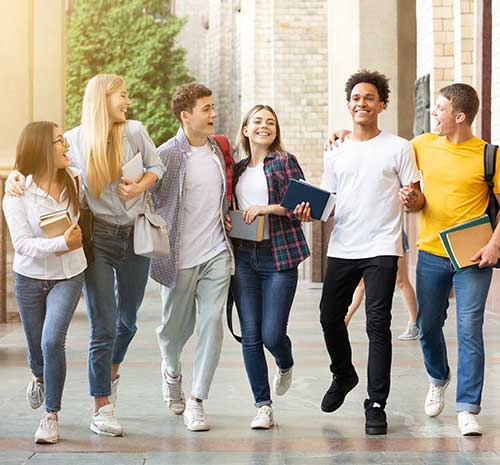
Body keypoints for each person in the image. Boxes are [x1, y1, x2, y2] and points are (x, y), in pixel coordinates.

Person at [7, 74, 166, 437]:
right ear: (103, 99)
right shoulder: (76, 141)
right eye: (122, 95)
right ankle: (101, 405)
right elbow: (45, 165)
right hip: (98, 241)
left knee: (128, 321)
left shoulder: (136, 132)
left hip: (135, 236)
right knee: (103, 325)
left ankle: (111, 371)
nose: (128, 101)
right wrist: (17, 173)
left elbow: (158, 166)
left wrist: (138, 186)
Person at [295, 70, 421, 435]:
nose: (361, 103)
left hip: (382, 245)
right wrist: (309, 209)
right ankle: (343, 373)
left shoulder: (399, 147)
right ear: (348, 105)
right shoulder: (337, 148)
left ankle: (376, 403)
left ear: (382, 104)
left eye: (369, 98)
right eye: (355, 98)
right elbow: (328, 202)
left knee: (377, 323)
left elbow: (415, 197)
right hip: (343, 246)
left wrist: (412, 198)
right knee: (328, 317)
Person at [400, 83, 500, 436]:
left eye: (439, 108)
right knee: (427, 326)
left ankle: (467, 407)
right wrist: (341, 136)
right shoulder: (423, 145)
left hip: (474, 257)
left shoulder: (489, 155)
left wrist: (494, 246)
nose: (434, 114)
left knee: (470, 328)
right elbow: (390, 160)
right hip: (430, 252)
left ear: (459, 116)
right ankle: (438, 376)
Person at [150, 83, 233, 432]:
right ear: (186, 116)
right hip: (179, 255)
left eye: (213, 107)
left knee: (212, 322)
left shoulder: (218, 148)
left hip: (216, 251)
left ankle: (197, 400)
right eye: (206, 108)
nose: (213, 114)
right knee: (174, 330)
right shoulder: (167, 153)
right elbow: (144, 193)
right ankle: (171, 368)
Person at [2, 121, 86, 443]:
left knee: (53, 341)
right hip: (30, 277)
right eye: (59, 141)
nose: (66, 146)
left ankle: (51, 415)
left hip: (69, 273)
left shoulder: (75, 179)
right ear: (41, 149)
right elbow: (22, 245)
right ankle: (39, 375)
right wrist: (62, 243)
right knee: (37, 350)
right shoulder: (18, 192)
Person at [229, 105, 310, 429]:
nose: (265, 126)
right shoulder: (234, 169)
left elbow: (303, 204)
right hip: (244, 256)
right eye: (258, 121)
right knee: (250, 336)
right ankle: (263, 405)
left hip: (279, 256)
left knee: (272, 334)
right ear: (246, 129)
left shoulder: (284, 161)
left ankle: (285, 362)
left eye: (271, 122)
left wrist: (267, 208)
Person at [344, 230, 419, 341]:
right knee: (361, 283)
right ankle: (345, 320)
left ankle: (414, 324)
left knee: (401, 280)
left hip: (392, 236)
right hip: (367, 238)